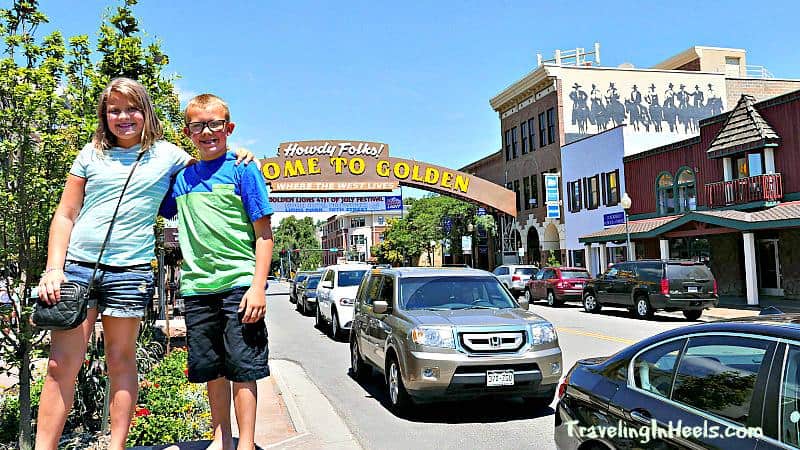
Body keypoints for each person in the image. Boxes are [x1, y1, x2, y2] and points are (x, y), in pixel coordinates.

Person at [35, 78, 256, 450]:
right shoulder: (90, 154)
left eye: (131, 108)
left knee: (120, 362)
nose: (123, 117)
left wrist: (241, 153)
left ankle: (116, 446)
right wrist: (53, 267)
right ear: (104, 116)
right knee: (61, 365)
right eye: (114, 110)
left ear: (146, 112)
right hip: (78, 267)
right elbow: (66, 214)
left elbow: (209, 161)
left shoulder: (168, 154)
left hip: (130, 269)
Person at [160, 93, 274, 450]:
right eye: (198, 126)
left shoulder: (243, 169)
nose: (207, 132)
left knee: (243, 368)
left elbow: (264, 234)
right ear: (187, 131)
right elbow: (153, 195)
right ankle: (222, 437)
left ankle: (247, 442)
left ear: (229, 128)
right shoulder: (181, 180)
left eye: (215, 124)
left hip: (239, 286)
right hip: (197, 289)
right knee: (214, 370)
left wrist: (258, 287)